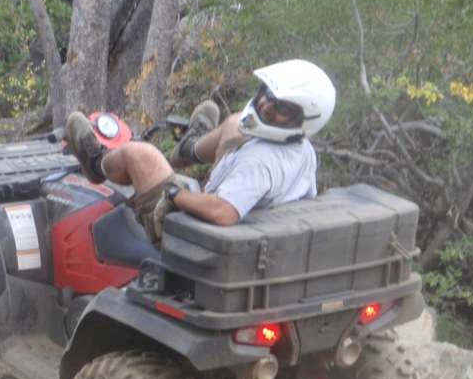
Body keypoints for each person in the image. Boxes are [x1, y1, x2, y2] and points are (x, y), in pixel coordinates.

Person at [64, 59, 336, 244]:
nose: (266, 104)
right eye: (267, 93)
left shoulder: (260, 163)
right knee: (236, 123)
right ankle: (188, 148)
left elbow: (223, 213)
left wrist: (175, 194)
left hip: (194, 241)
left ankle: (97, 164)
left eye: (282, 107)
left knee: (141, 154)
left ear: (302, 118)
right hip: (253, 232)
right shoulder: (302, 149)